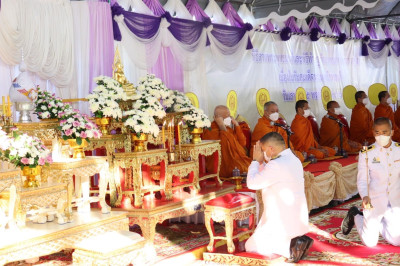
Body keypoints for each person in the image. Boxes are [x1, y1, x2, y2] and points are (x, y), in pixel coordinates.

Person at [245, 132, 312, 262]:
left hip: (281, 222)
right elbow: (270, 175)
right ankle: (297, 243)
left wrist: (254, 161)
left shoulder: (276, 164)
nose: (262, 154)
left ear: (271, 149)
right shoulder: (293, 159)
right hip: (296, 218)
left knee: (250, 246)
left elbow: (252, 183)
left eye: (263, 150)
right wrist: (261, 163)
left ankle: (290, 248)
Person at [341, 117, 400, 247]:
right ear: (373, 132)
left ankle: (381, 223)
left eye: (384, 132)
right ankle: (356, 215)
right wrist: (365, 196)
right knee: (370, 243)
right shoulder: (367, 153)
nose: (381, 136)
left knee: (396, 241)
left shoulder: (398, 150)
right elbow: (362, 180)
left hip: (395, 202)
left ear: (392, 132)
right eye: (377, 132)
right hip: (374, 201)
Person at [202, 105, 251, 177]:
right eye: (226, 117)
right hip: (223, 163)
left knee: (251, 165)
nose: (229, 118)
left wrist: (237, 125)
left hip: (238, 158)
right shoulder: (210, 130)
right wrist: (221, 126)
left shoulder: (228, 128)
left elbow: (243, 143)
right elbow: (224, 146)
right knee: (240, 169)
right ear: (217, 118)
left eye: (229, 115)